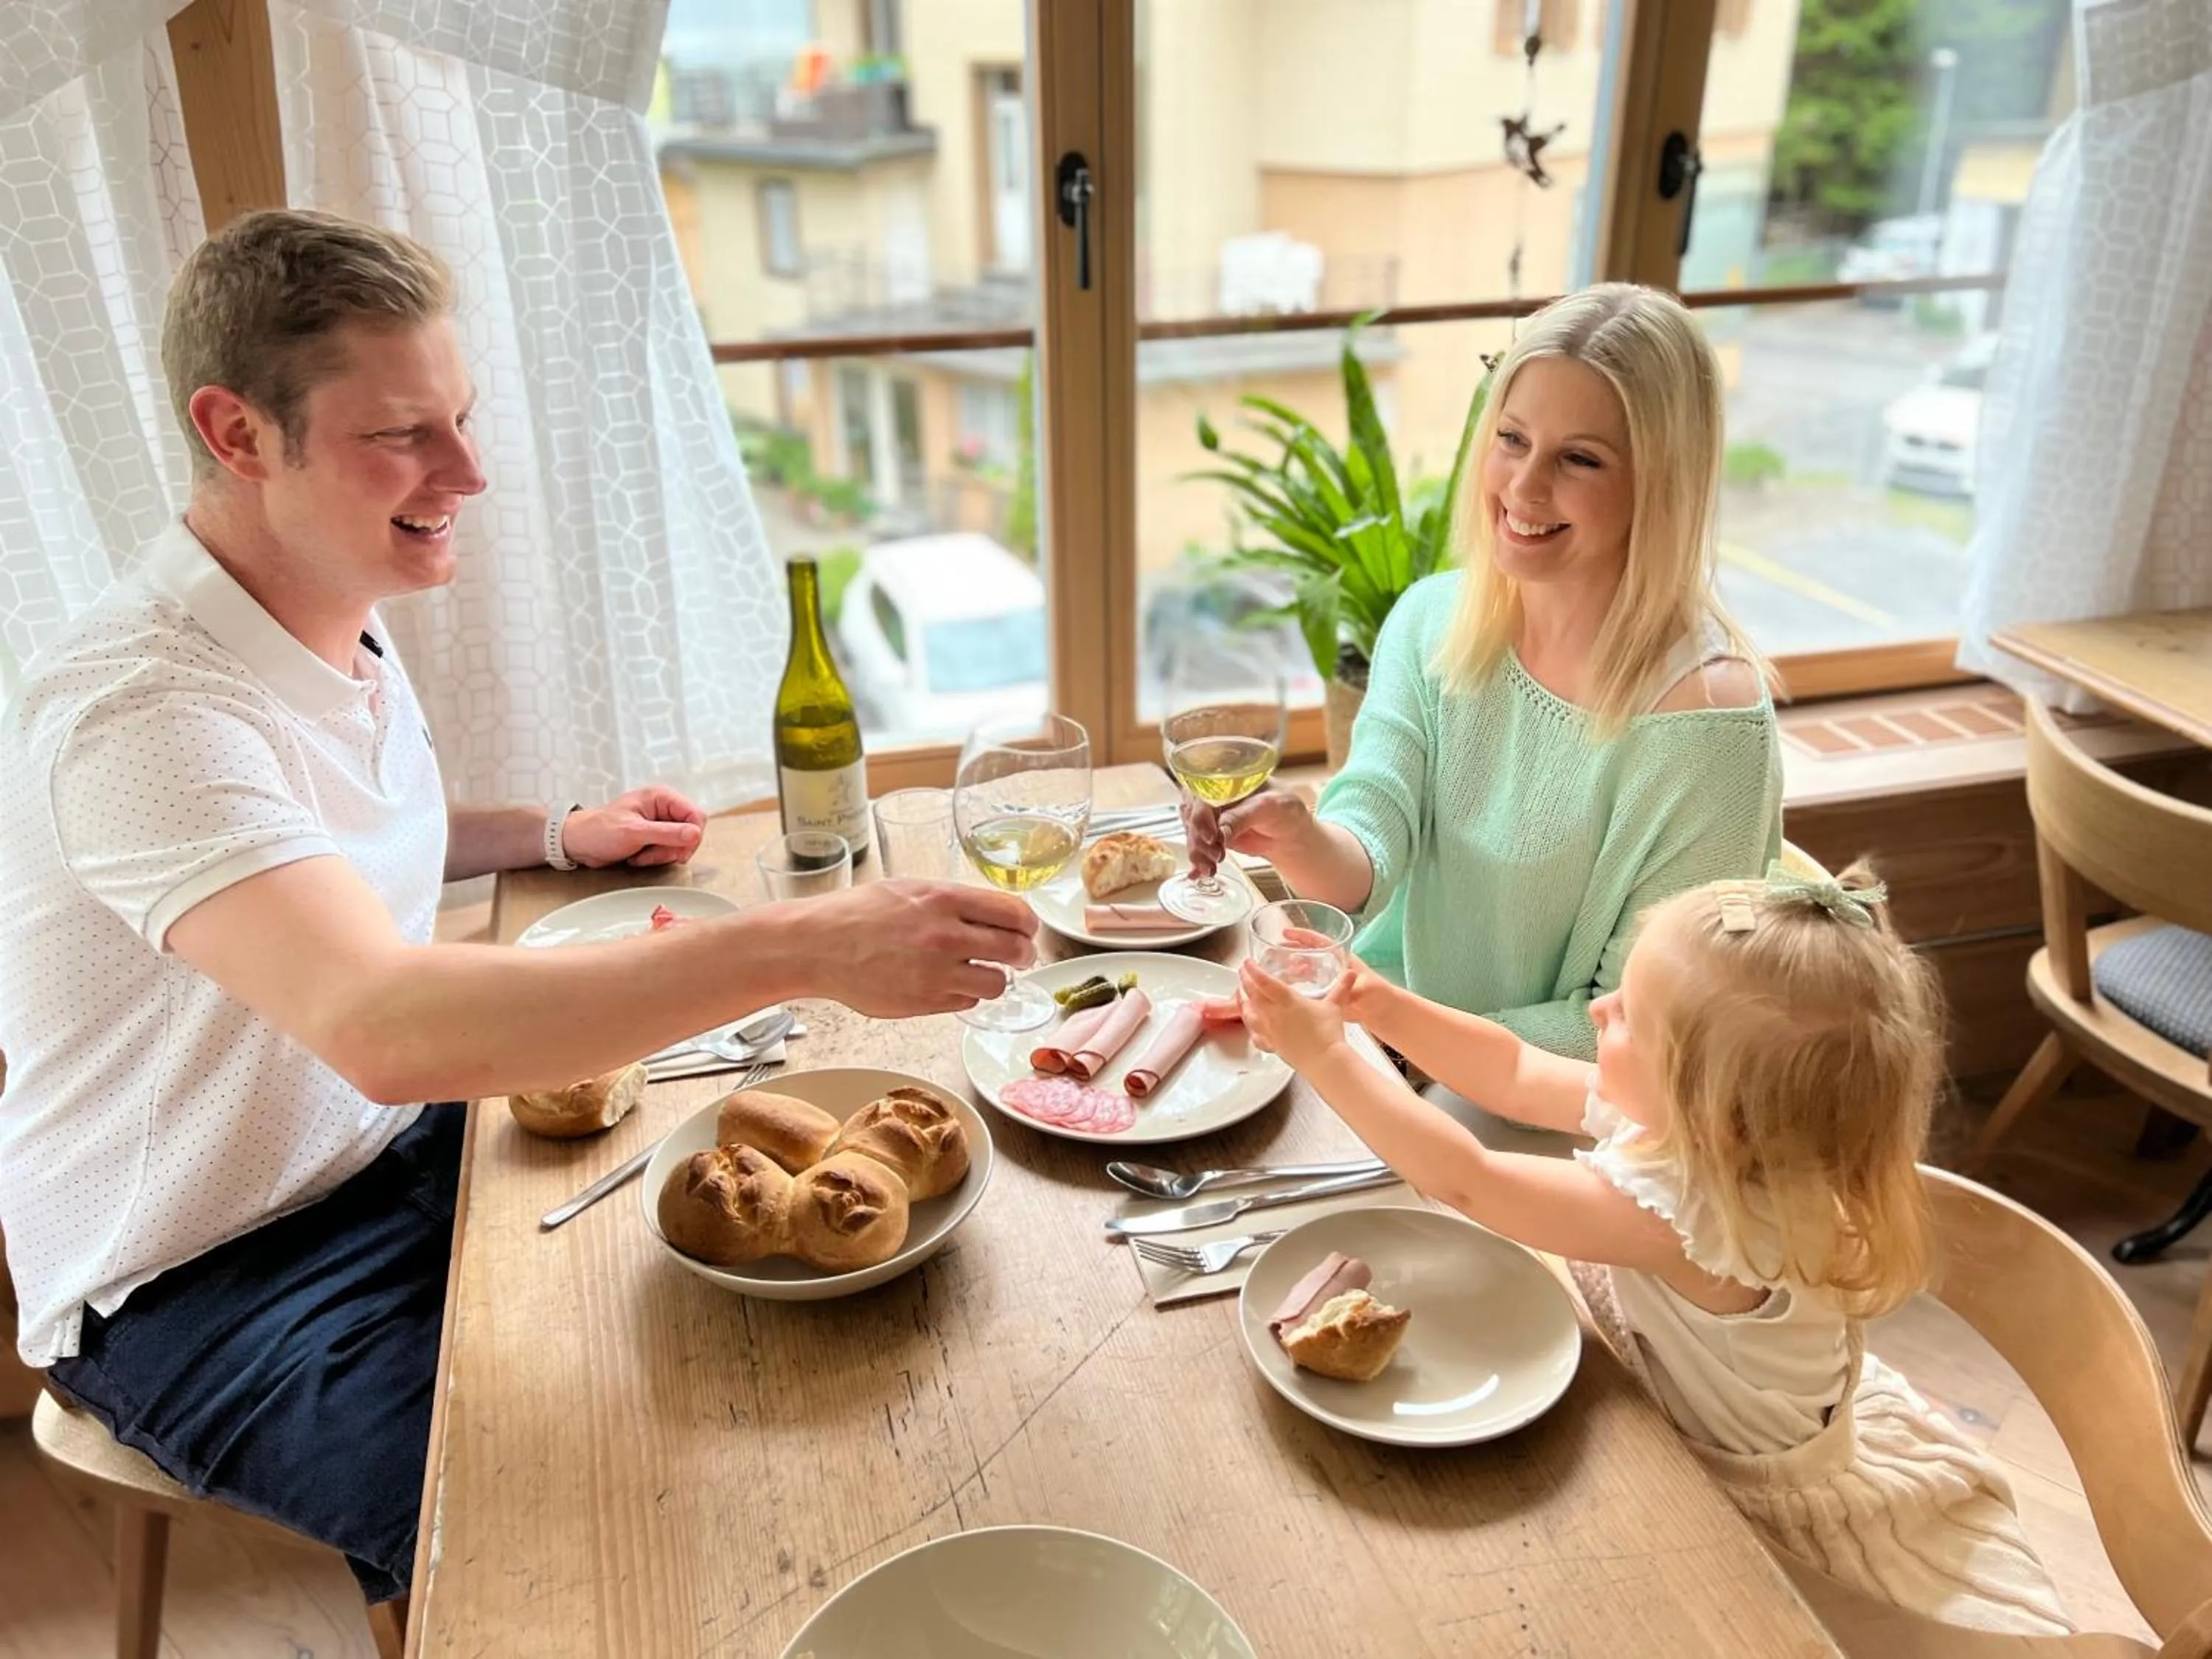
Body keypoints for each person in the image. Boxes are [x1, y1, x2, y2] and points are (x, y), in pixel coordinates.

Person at [0, 209, 1037, 1607]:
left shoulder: (324, 597)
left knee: (793, 1341)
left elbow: (322, 861)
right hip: (204, 1273)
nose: (469, 472)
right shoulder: (142, 714)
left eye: (464, 421)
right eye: (404, 435)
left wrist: (549, 833)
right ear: (240, 435)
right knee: (577, 1547)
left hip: (389, 1150)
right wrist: (807, 947)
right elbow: (377, 1018)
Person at [1238, 864, 2071, 1635]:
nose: (1600, 1010)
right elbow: (1520, 1070)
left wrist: (1325, 1056)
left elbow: (1469, 1183)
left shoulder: (1695, 1213)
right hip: (1672, 1405)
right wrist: (1381, 1004)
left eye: (1630, 1015)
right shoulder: (1713, 1136)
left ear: (1717, 1108)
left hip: (1750, 1496)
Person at [1186, 282, 1782, 1062]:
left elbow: (1635, 1033)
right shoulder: (1435, 620)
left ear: (1661, 484)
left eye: (1580, 459)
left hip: (1571, 1117)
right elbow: (1370, 847)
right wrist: (1296, 836)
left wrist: (1383, 1034)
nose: (1524, 489)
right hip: (1404, 1048)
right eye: (1511, 439)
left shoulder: (1707, 725)